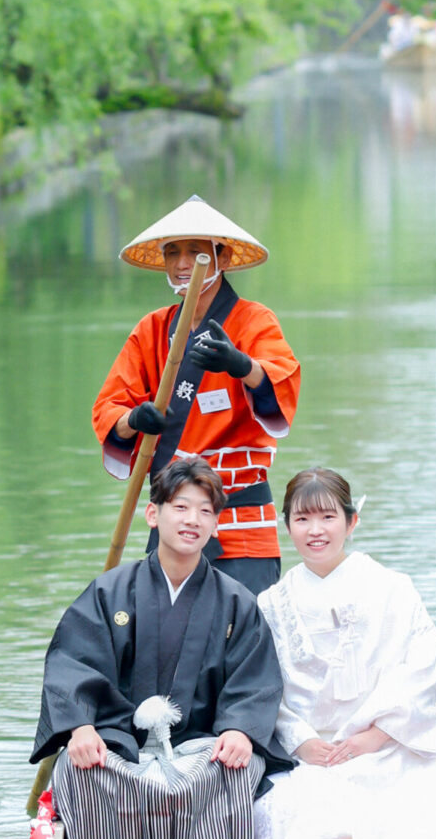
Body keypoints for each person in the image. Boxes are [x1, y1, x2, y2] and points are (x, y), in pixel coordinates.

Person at [32, 456, 289, 839]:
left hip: (204, 748)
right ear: (154, 514)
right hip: (120, 746)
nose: (193, 520)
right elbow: (74, 662)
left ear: (216, 525)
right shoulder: (109, 591)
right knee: (76, 772)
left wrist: (242, 730)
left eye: (206, 511)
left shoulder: (236, 602)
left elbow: (255, 679)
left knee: (239, 771)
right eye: (181, 507)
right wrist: (79, 727)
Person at [254, 468, 436, 839]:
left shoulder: (392, 588)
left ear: (352, 522)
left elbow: (427, 670)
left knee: (399, 812)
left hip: (391, 745)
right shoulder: (271, 604)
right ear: (287, 526)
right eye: (302, 519)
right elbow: (262, 688)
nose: (315, 530)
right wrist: (301, 742)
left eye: (328, 517)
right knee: (297, 814)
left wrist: (377, 736)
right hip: (311, 755)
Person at [93, 193, 301, 597]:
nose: (183, 262)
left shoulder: (253, 320)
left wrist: (242, 365)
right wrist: (134, 419)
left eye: (194, 251)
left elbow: (281, 381)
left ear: (220, 258)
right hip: (174, 523)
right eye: (172, 252)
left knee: (242, 640)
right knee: (163, 647)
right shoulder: (151, 330)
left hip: (238, 522)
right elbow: (109, 406)